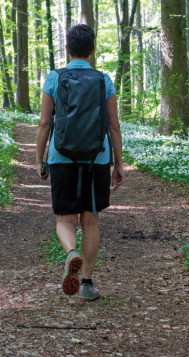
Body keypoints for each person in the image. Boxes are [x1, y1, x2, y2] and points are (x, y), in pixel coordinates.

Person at [35, 24, 124, 301]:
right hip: (96, 157)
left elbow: (44, 122)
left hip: (61, 156)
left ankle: (71, 253)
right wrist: (118, 163)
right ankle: (86, 283)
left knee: (64, 219)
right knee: (90, 221)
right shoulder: (103, 80)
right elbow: (113, 125)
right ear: (93, 50)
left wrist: (40, 159)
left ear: (67, 49)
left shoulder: (54, 78)